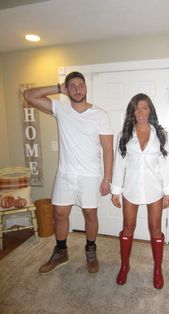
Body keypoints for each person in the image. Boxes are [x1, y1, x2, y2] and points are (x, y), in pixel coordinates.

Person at [24, 71, 113, 274]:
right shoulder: (60, 109)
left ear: (86, 88)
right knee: (60, 213)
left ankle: (91, 250)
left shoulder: (100, 114)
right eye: (72, 85)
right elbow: (29, 96)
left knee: (90, 213)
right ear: (67, 89)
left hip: (91, 175)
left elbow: (108, 149)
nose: (77, 89)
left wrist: (107, 178)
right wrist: (57, 89)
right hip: (66, 174)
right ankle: (61, 251)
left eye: (81, 85)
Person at [111, 93, 169, 289]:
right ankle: (124, 266)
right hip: (131, 188)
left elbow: (165, 164)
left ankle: (157, 269)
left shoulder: (160, 135)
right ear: (133, 111)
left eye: (145, 108)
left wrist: (168, 190)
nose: (141, 112)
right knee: (128, 227)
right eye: (137, 108)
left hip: (154, 189)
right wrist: (115, 190)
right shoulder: (124, 136)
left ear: (150, 110)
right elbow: (119, 165)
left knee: (155, 229)